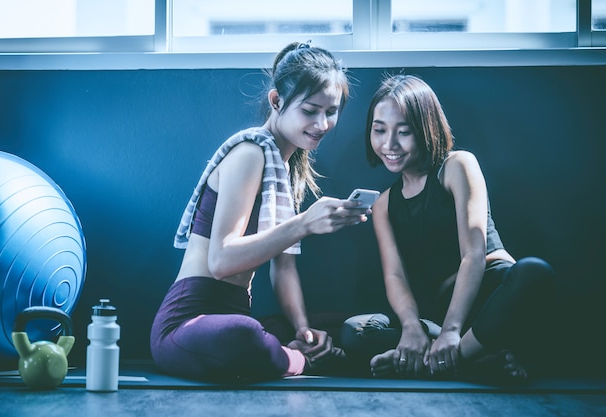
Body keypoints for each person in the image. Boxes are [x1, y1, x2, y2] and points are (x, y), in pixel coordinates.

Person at [150, 42, 370, 382]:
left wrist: (304, 331)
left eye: (331, 111)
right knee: (245, 334)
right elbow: (221, 262)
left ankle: (296, 350)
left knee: (348, 322)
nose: (323, 123)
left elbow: (284, 269)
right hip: (187, 324)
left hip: (234, 315)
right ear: (276, 101)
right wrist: (304, 224)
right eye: (310, 110)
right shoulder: (251, 153)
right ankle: (297, 361)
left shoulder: (285, 168)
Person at [341, 74, 555, 383]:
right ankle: (474, 358)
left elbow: (474, 254)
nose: (389, 144)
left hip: (489, 294)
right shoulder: (386, 204)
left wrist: (454, 331)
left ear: (426, 128)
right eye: (379, 130)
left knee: (535, 272)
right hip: (440, 316)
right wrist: (412, 327)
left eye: (404, 132)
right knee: (353, 332)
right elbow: (395, 275)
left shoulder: (457, 166)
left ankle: (439, 361)